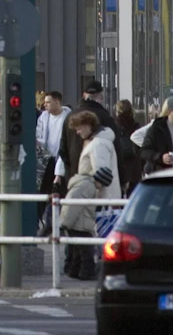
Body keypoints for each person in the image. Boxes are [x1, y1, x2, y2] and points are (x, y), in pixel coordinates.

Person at [58, 111, 119, 281]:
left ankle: (86, 269)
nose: (77, 132)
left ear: (87, 125)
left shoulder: (97, 144)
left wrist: (87, 186)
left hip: (95, 196)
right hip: (98, 195)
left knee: (85, 234)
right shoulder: (100, 141)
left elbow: (102, 174)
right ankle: (81, 268)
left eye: (78, 129)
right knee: (84, 234)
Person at [35, 91, 69, 206]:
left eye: (48, 102)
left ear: (57, 102)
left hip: (62, 159)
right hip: (47, 160)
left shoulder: (68, 117)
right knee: (44, 191)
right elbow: (39, 136)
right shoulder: (43, 117)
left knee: (60, 192)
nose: (45, 105)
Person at [113, 100, 145, 192]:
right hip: (134, 166)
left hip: (120, 165)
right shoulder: (136, 126)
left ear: (117, 111)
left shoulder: (115, 126)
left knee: (119, 198)